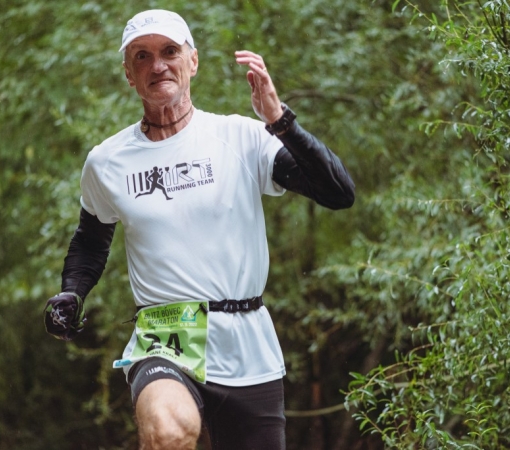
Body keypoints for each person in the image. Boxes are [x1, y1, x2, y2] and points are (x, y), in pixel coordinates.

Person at [43, 9, 355, 450]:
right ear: (129, 74)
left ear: (193, 62)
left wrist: (281, 121)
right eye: (142, 56)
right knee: (168, 431)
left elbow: (338, 193)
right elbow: (91, 241)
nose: (158, 65)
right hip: (165, 336)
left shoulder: (242, 137)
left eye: (170, 51)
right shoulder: (107, 161)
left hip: (247, 338)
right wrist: (71, 292)